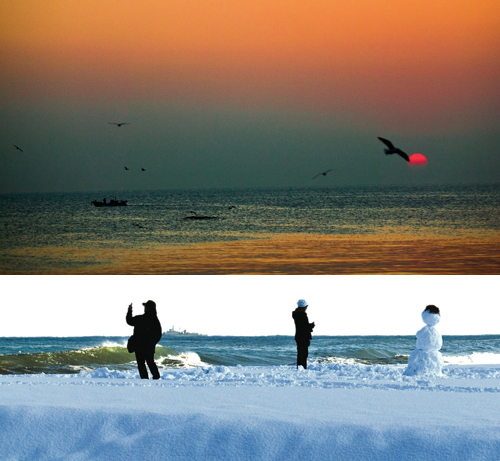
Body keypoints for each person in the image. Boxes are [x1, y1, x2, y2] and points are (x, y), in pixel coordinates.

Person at [126, 300, 162, 379]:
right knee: (150, 362)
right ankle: (156, 377)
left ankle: (145, 379)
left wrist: (129, 311)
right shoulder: (156, 321)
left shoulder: (140, 318)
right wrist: (153, 343)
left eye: (145, 306)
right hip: (149, 347)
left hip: (139, 346)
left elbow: (129, 321)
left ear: (148, 308)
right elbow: (159, 334)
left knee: (141, 364)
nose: (144, 308)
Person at [292, 299, 315, 369]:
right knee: (304, 353)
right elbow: (304, 326)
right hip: (303, 337)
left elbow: (301, 325)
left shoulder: (296, 314)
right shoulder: (303, 315)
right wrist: (311, 325)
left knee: (300, 353)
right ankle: (302, 367)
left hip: (298, 336)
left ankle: (300, 366)